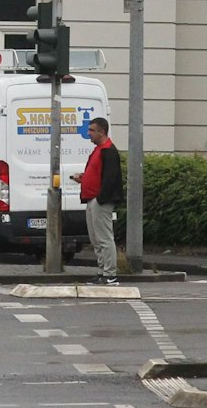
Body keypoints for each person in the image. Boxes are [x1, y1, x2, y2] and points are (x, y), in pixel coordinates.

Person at [71, 116, 124, 285]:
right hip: (93, 199)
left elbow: (110, 178)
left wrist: (101, 198)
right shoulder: (99, 150)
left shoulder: (108, 150)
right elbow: (98, 174)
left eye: (92, 130)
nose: (89, 134)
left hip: (100, 200)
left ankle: (110, 274)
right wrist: (84, 179)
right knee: (96, 239)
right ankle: (102, 272)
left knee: (104, 238)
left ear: (102, 131)